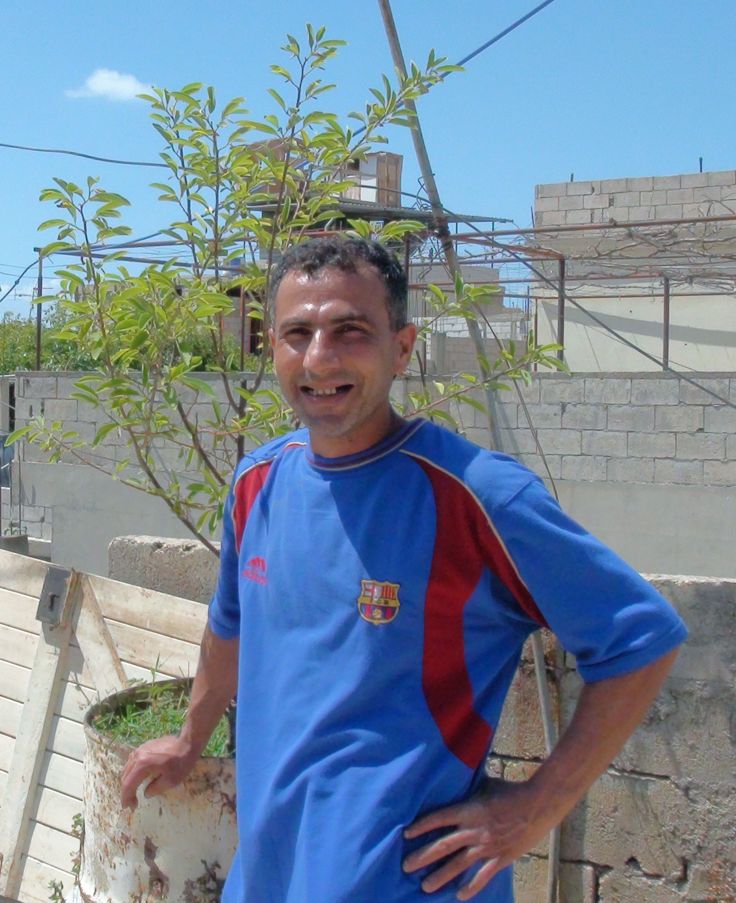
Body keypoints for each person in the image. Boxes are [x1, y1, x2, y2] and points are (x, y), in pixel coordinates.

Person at [121, 236, 687, 902]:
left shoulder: (476, 494)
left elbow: (640, 639)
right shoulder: (257, 483)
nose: (319, 358)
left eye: (350, 331)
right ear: (271, 347)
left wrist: (538, 807)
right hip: (269, 874)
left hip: (409, 883)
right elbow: (230, 624)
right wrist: (190, 738)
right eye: (298, 333)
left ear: (403, 347)